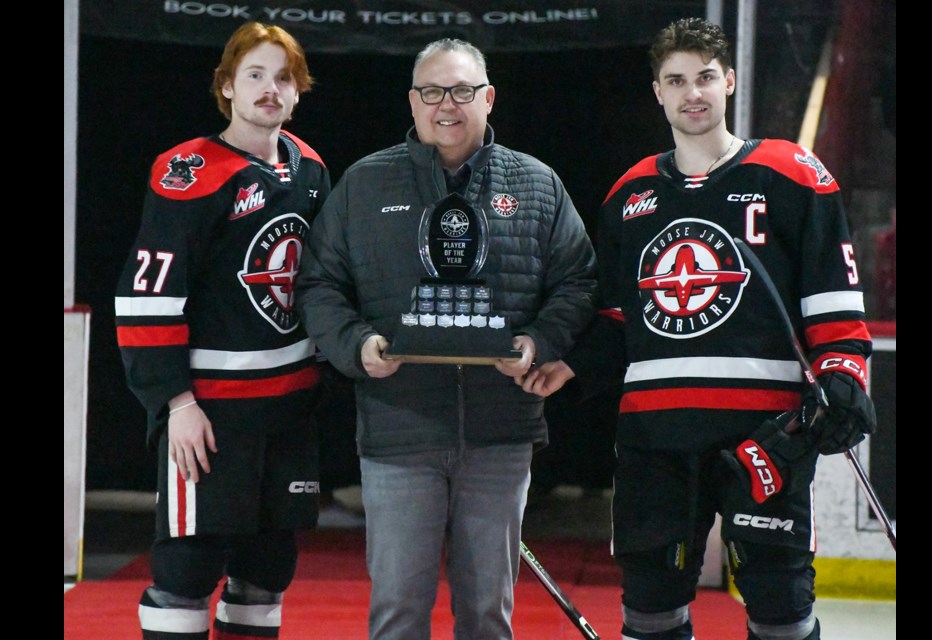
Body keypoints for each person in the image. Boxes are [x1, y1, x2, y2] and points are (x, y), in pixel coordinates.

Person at [519, 17, 876, 640]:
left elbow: (834, 301)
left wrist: (844, 377)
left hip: (764, 435)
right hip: (655, 439)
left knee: (780, 603)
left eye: (705, 77)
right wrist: (572, 364)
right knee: (650, 606)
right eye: (676, 80)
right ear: (657, 91)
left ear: (729, 81)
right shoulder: (631, 193)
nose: (693, 93)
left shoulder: (791, 173)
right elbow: (615, 315)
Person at [295, 38, 597, 639]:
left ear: (487, 97)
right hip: (398, 431)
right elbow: (318, 284)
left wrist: (540, 341)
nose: (447, 105)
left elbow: (577, 282)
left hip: (501, 435)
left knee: (487, 614)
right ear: (413, 101)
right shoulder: (364, 185)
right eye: (432, 92)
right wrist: (355, 346)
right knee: (399, 612)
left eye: (462, 91)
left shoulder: (536, 184)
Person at [114, 22, 332, 640]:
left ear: (298, 91)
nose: (269, 89)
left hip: (288, 409)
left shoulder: (310, 168)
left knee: (268, 567)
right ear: (227, 87)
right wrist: (173, 401)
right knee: (188, 564)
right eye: (255, 75)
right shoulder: (190, 171)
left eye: (282, 78)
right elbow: (146, 296)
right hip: (211, 412)